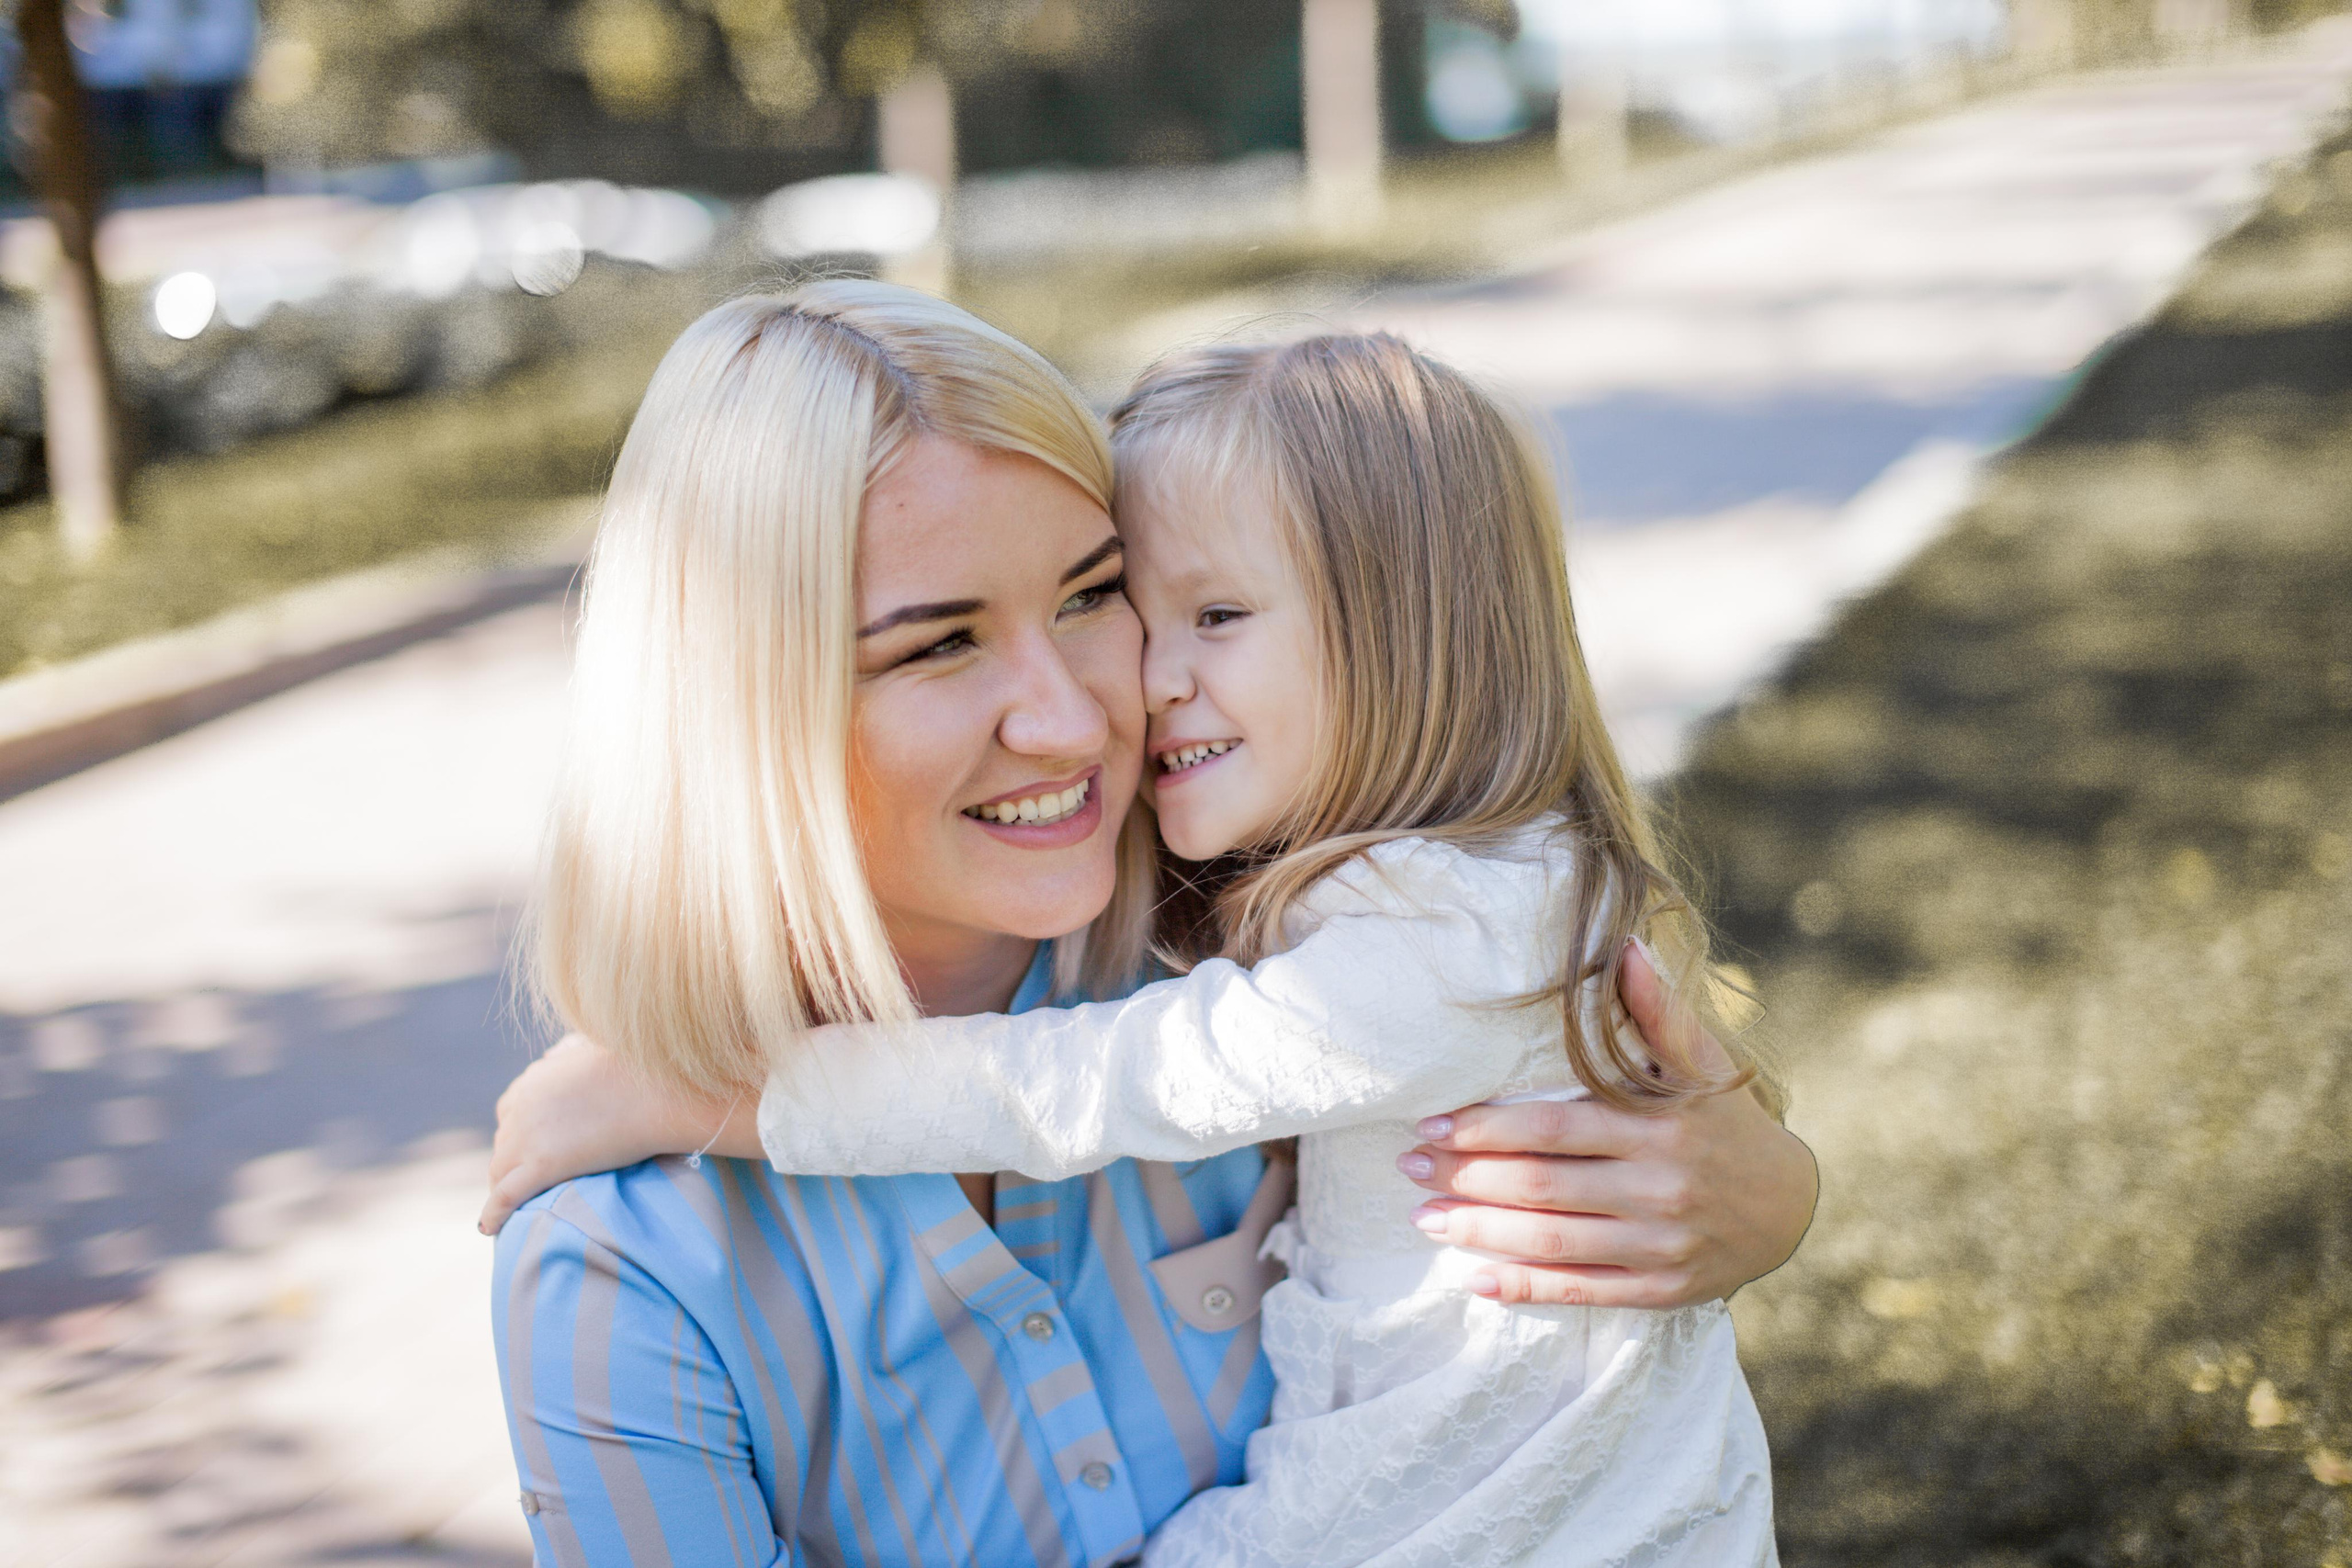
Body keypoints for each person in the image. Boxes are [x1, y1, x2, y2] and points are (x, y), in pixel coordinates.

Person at [482, 283, 1815, 1568]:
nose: (1076, 715)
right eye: (941, 645)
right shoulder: (622, 1268)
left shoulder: (1244, 966)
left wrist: (1766, 1196)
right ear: (742, 713)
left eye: (1089, 596)